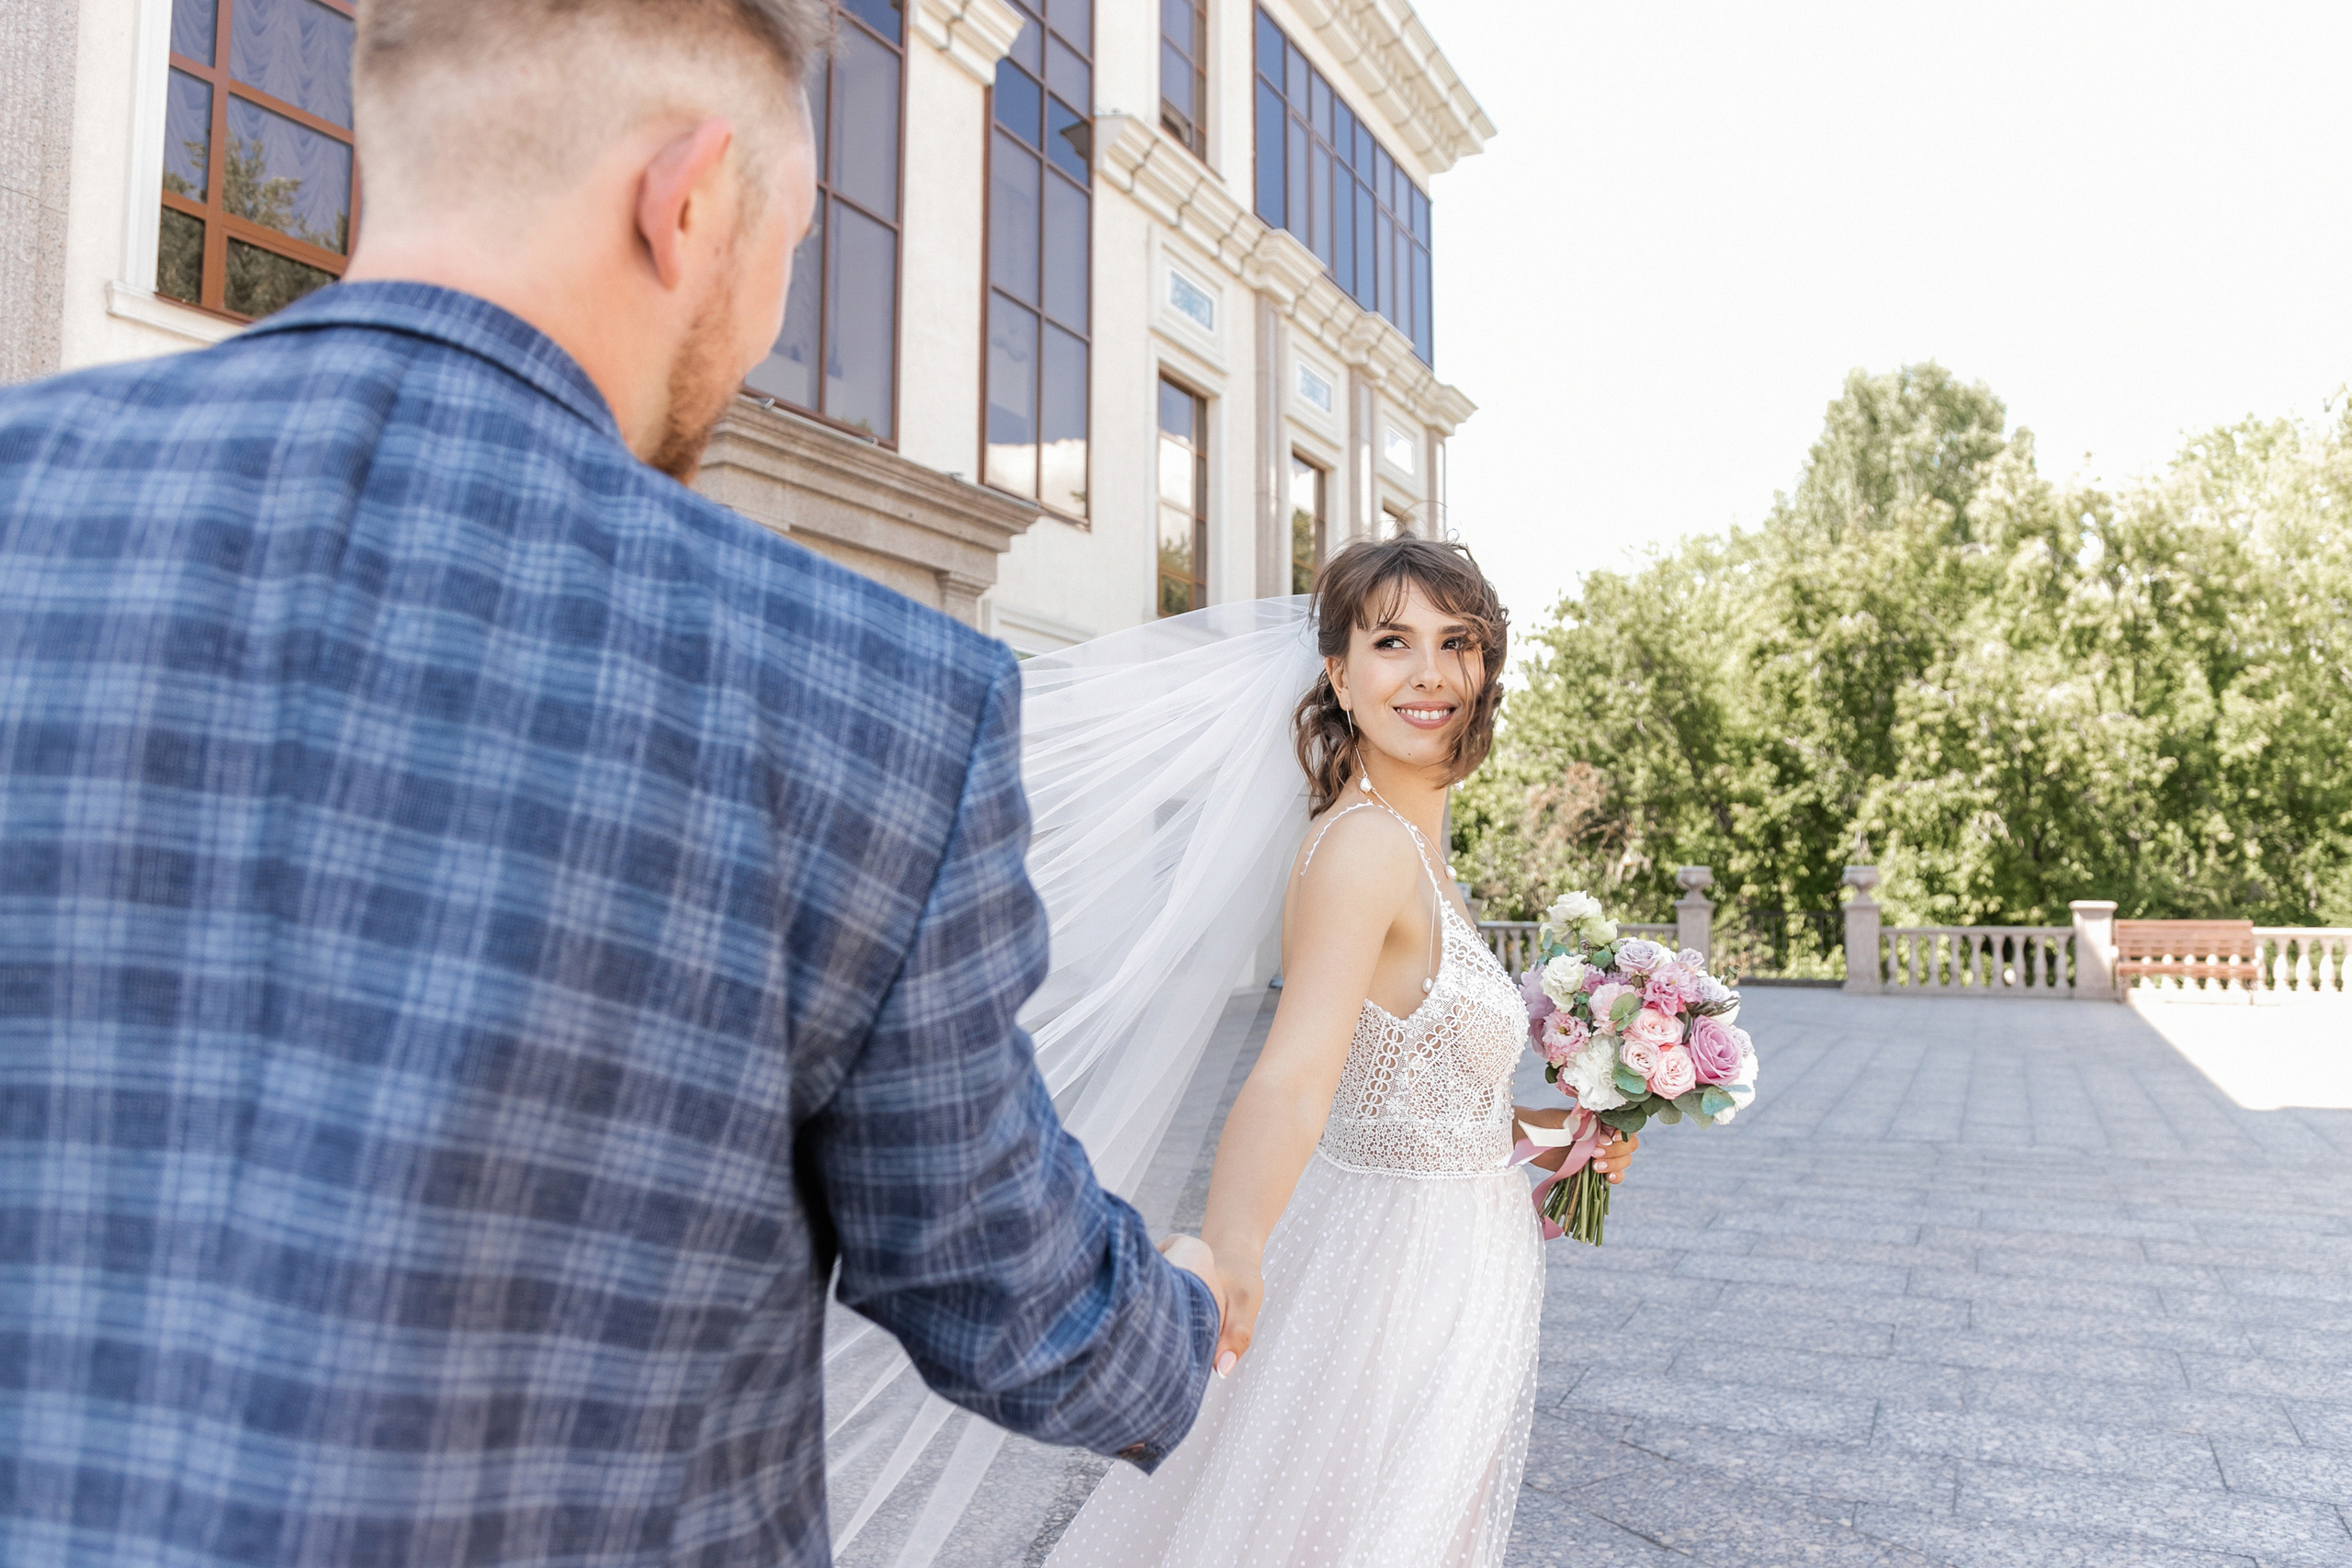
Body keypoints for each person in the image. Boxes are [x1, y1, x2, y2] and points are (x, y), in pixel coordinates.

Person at [0, 3, 1222, 1565]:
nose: (773, 317)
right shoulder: (877, 693)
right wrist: (1182, 1333)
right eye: (786, 244)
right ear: (691, 197)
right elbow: (996, 1274)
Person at [1046, 537, 1640, 1567]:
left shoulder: (1409, 850)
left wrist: (1564, 1135)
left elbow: (1412, 1098)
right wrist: (1233, 1247)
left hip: (1457, 1259)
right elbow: (1291, 1076)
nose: (1430, 673)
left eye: (1457, 643)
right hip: (1394, 1275)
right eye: (1391, 642)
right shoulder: (1366, 848)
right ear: (1338, 673)